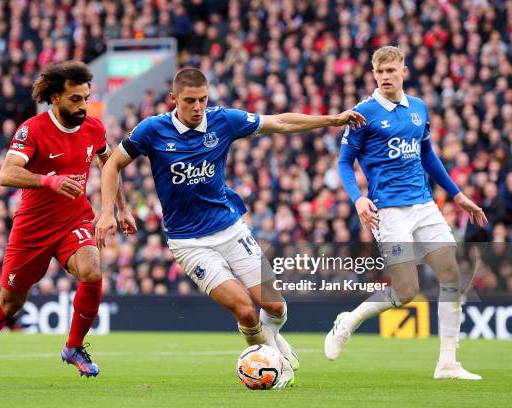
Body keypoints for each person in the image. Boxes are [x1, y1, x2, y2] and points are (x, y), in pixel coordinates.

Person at [98, 68, 365, 388]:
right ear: (173, 99)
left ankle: (273, 342)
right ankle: (273, 365)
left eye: (202, 99)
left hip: (231, 229)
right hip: (189, 242)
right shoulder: (152, 130)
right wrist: (109, 212)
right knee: (245, 311)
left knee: (275, 305)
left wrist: (332, 120)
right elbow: (112, 163)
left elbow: (279, 122)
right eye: (189, 101)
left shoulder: (223, 120)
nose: (197, 107)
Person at [0, 61, 136, 384]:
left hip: (74, 220)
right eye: (75, 99)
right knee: (9, 303)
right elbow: (6, 173)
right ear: (55, 97)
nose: (83, 106)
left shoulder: (94, 128)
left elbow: (109, 165)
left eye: (86, 97)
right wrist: (48, 181)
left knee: (92, 269)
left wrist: (118, 209)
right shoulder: (33, 129)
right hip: (33, 229)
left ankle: (74, 347)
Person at [329, 46, 487, 380]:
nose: (385, 76)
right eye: (380, 71)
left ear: (404, 70)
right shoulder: (363, 113)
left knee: (450, 276)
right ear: (373, 74)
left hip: (424, 205)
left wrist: (457, 196)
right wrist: (357, 198)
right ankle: (349, 320)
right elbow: (344, 161)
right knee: (406, 291)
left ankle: (447, 362)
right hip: (389, 211)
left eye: (391, 70)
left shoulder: (418, 108)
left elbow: (428, 154)